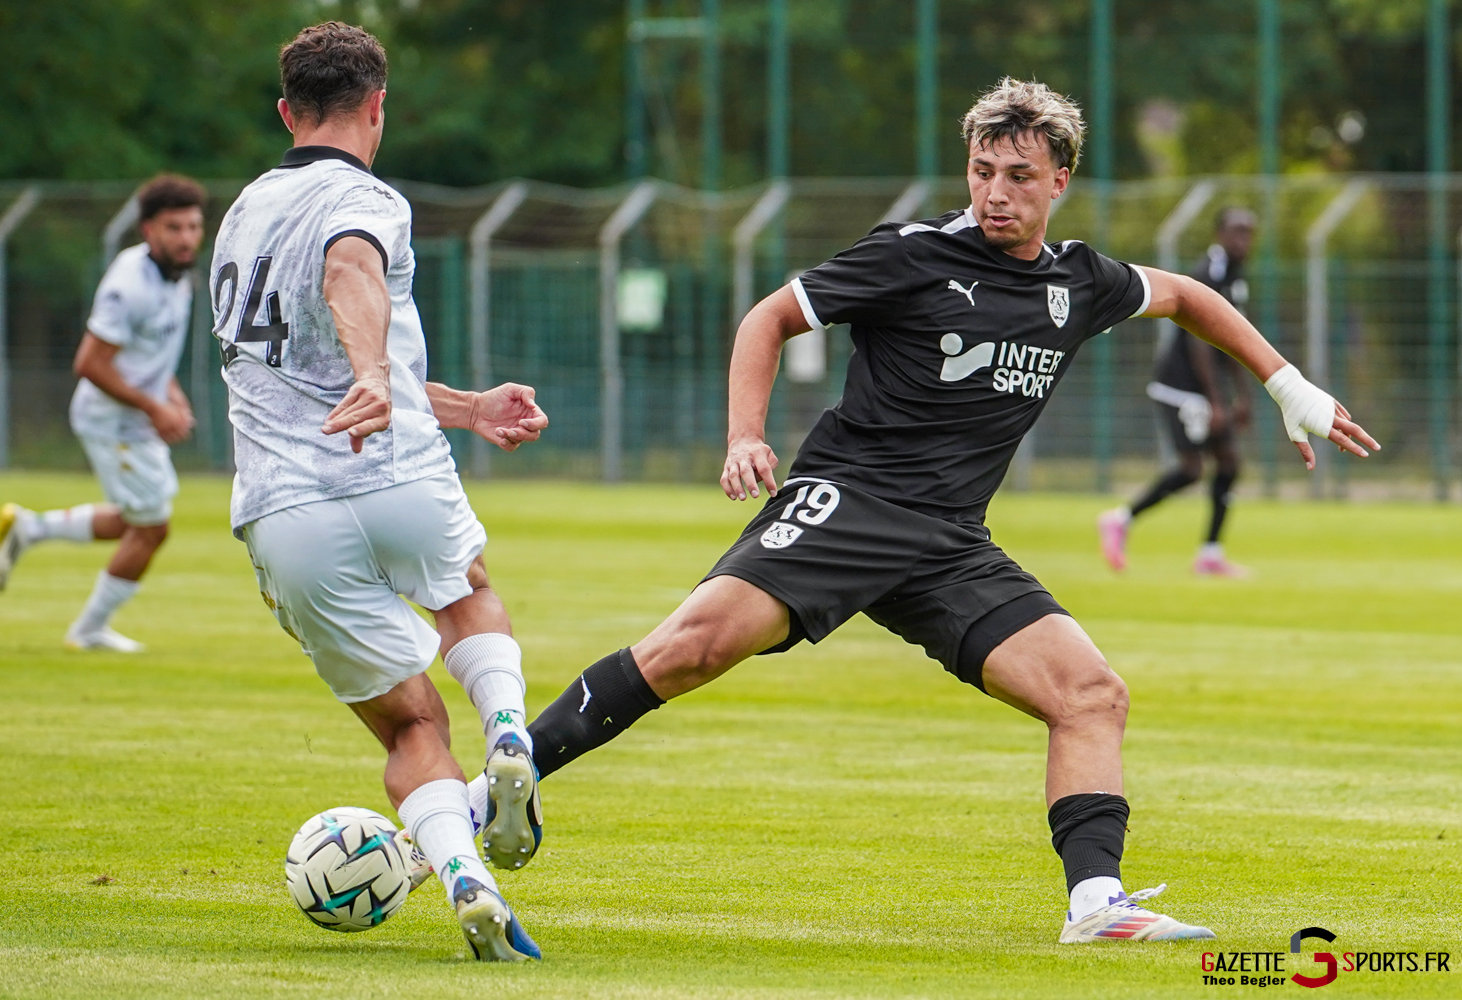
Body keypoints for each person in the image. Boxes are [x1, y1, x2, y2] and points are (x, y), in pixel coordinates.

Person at [469, 78, 1379, 943]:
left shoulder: (1078, 282)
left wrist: (1288, 385)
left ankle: (1097, 903)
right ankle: (487, 797)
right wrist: (746, 435)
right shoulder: (912, 254)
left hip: (949, 545)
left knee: (1092, 696)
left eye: (1020, 177)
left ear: (1060, 180)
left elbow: (1184, 296)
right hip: (849, 506)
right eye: (983, 172)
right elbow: (766, 320)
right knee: (689, 650)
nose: (997, 194)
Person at [209, 22, 547, 961]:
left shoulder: (237, 215)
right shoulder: (368, 198)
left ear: (286, 111)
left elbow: (308, 356)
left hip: (285, 511)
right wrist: (371, 375)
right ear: (378, 107)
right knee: (466, 593)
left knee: (410, 724)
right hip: (393, 469)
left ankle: (463, 878)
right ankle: (511, 734)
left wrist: (468, 406)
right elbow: (349, 268)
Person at [0, 175, 204, 652]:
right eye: (175, 227)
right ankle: (87, 630)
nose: (187, 237)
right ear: (148, 230)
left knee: (136, 519)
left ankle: (31, 528)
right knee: (151, 529)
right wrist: (155, 406)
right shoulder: (130, 285)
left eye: (193, 226)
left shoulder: (178, 275)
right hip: (114, 422)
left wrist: (172, 396)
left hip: (134, 419)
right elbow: (89, 363)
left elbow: (150, 355)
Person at [1098, 208, 1258, 575]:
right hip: (1181, 388)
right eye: (1236, 232)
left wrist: (1243, 395)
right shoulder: (1207, 274)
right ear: (1218, 233)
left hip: (1207, 391)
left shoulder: (1235, 277)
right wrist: (1218, 401)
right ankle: (1120, 519)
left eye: (1248, 234)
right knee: (1192, 469)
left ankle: (1210, 554)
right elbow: (1198, 343)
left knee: (1229, 462)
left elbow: (1235, 340)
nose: (1242, 241)